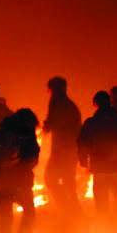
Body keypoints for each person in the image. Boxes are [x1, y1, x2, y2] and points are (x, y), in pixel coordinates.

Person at [0, 108, 40, 233]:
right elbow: (33, 159)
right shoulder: (28, 136)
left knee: (5, 218)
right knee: (29, 213)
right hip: (19, 181)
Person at [78, 90, 117, 223]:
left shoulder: (91, 123)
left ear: (95, 104)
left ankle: (105, 231)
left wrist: (84, 163)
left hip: (100, 169)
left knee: (102, 204)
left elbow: (82, 144)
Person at [41, 77, 81, 217]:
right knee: (67, 181)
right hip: (67, 150)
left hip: (63, 151)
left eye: (50, 89)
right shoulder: (68, 105)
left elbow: (54, 123)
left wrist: (46, 126)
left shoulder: (58, 104)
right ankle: (73, 211)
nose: (49, 92)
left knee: (51, 178)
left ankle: (69, 211)